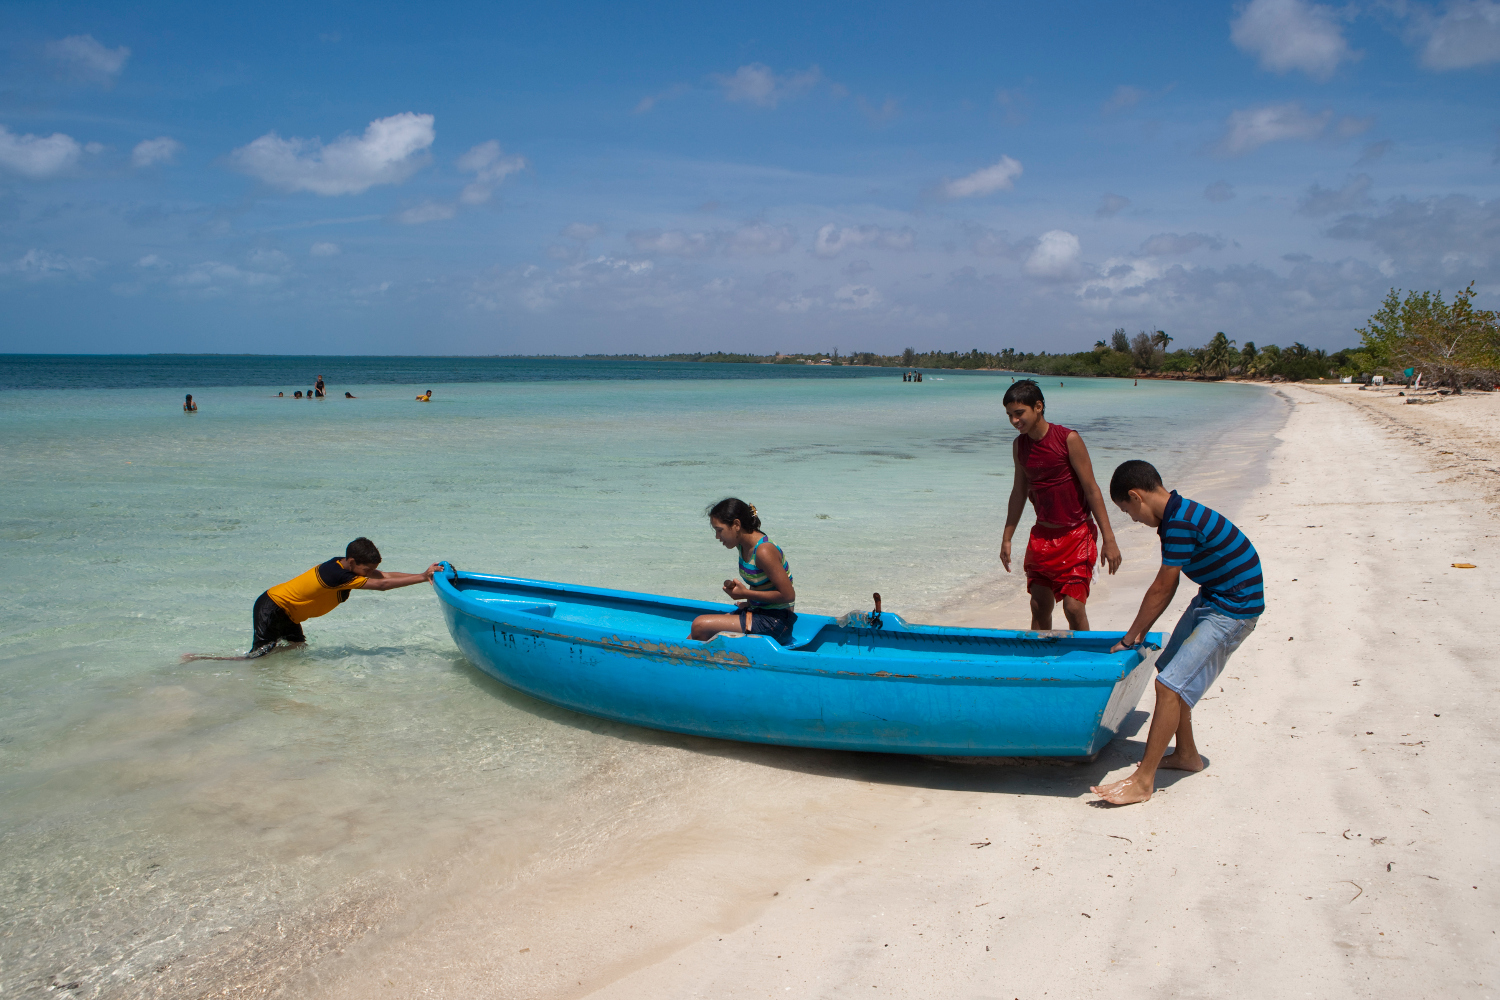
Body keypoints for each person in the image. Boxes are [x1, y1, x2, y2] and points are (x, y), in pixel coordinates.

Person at [1090, 461, 1263, 806]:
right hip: (1215, 596)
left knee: (1169, 685)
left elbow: (1163, 588)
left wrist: (1131, 637)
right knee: (1167, 666)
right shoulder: (1177, 514)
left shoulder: (1180, 523)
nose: (1133, 519)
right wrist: (1139, 634)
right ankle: (1186, 755)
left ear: (1136, 496)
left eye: (1128, 511)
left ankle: (1143, 782)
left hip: (1233, 609)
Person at [186, 538, 441, 661]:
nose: (368, 573)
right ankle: (203, 660)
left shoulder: (345, 566)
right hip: (273, 608)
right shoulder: (337, 575)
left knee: (297, 648)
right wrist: (421, 577)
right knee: (256, 658)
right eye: (365, 569)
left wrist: (423, 573)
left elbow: (382, 575)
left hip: (287, 613)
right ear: (352, 562)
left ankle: (266, 656)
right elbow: (382, 585)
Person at [999, 379, 1121, 630]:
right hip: (1043, 536)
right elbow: (1019, 492)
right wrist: (1007, 537)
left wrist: (1109, 539)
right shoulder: (1019, 446)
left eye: (1019, 413)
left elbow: (1092, 489)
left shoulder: (1068, 439)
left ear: (1038, 407)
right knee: (1039, 606)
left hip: (1077, 534)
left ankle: (1085, 661)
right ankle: (1040, 662)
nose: (1014, 421)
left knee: (1073, 609)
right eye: (1009, 415)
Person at [690, 498, 797, 645]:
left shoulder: (763, 551)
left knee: (699, 625)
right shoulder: (742, 545)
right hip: (761, 613)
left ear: (736, 525)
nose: (717, 537)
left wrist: (745, 594)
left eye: (719, 530)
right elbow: (764, 584)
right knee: (694, 635)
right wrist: (749, 601)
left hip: (776, 623)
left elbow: (788, 595)